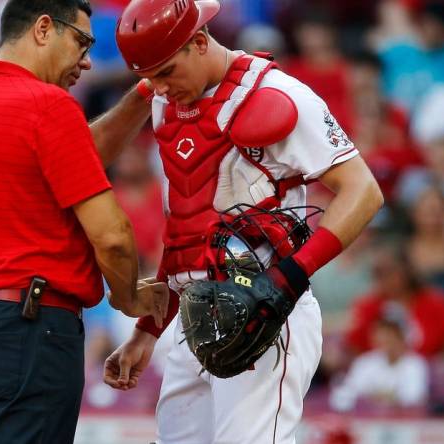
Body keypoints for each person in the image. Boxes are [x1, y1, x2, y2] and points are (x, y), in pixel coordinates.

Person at [104, 1, 384, 443]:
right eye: (149, 77)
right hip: (194, 317)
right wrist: (149, 329)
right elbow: (188, 230)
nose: (157, 87)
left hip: (263, 311)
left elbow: (364, 190)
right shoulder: (164, 103)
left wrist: (288, 278)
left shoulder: (276, 92)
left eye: (166, 71)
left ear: (199, 42)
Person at [0, 1, 168, 442]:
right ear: (44, 28)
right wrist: (127, 297)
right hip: (31, 328)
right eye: (81, 41)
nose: (87, 60)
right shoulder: (48, 105)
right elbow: (114, 236)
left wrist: (143, 94)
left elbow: (75, 155)